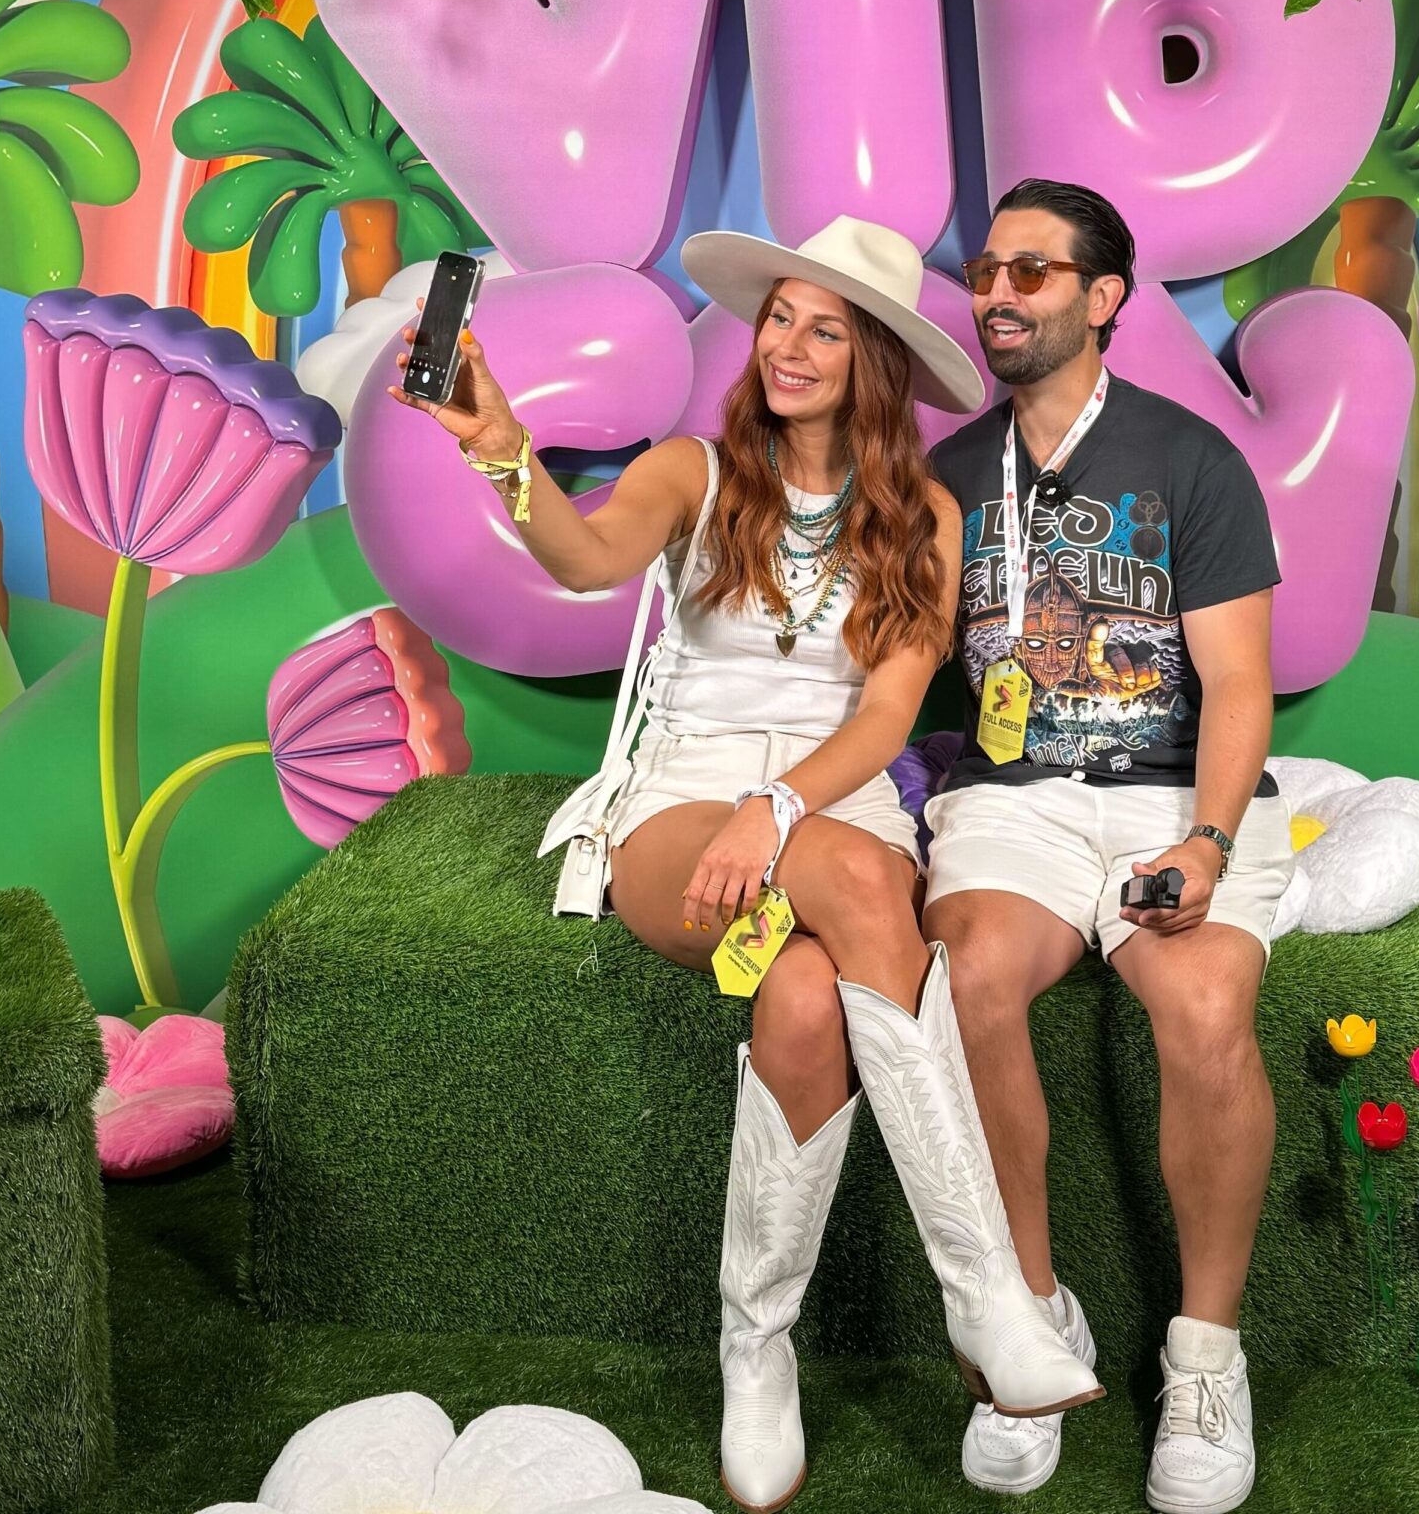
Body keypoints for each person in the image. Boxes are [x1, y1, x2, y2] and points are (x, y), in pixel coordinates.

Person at [393, 214, 1102, 1513]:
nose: (789, 343)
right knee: (849, 883)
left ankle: (754, 1346)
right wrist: (499, 448)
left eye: (825, 326)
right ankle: (988, 1294)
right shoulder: (695, 471)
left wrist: (777, 809)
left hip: (826, 804)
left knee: (801, 992)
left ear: (874, 358)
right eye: (780, 315)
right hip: (686, 804)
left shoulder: (924, 516)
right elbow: (584, 555)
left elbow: (887, 720)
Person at [921, 179, 1293, 1513]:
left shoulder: (1192, 463)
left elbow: (1240, 688)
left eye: (1032, 272)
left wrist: (1205, 839)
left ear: (1104, 298)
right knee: (964, 983)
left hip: (1167, 792)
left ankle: (1205, 1356)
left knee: (1201, 1009)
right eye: (987, 272)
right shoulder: (951, 475)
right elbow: (899, 673)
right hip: (1012, 798)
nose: (999, 296)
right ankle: (1029, 1313)